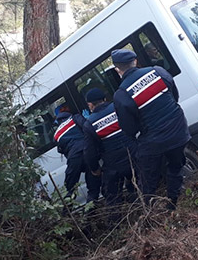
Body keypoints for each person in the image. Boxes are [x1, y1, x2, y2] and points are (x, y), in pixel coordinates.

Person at [111, 49, 190, 210]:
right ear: (136, 61)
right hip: (178, 129)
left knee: (148, 178)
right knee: (175, 165)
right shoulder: (158, 72)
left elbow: (129, 129)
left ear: (117, 70)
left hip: (154, 141)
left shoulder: (122, 94)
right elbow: (174, 96)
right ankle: (173, 201)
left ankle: (149, 210)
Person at [81, 88, 137, 219]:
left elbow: (89, 152)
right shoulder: (117, 107)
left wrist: (95, 169)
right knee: (142, 184)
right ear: (104, 99)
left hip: (114, 164)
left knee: (112, 198)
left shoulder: (90, 123)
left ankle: (117, 227)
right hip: (134, 154)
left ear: (90, 105)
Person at [53, 109, 102, 202]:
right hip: (87, 152)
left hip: (73, 159)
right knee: (93, 186)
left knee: (70, 189)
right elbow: (87, 128)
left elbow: (62, 150)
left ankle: (67, 212)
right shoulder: (75, 118)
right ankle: (91, 211)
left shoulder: (56, 135)